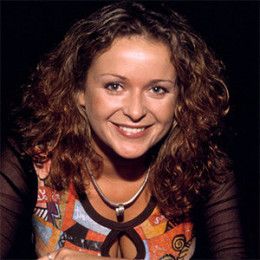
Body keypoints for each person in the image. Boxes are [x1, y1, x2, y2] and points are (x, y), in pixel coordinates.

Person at [0, 1, 245, 259]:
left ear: (181, 100)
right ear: (79, 91)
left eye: (157, 89)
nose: (135, 111)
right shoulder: (32, 157)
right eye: (115, 86)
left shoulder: (204, 166)